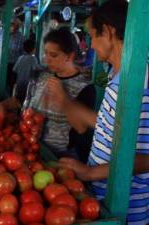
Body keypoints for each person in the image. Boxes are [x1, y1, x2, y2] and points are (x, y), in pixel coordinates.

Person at [47, 1, 149, 224]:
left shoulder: (141, 81)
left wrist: (90, 173)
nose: (91, 45)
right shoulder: (115, 74)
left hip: (127, 207)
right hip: (101, 198)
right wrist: (66, 103)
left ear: (110, 32)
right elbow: (110, 126)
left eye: (93, 36)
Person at [0, 27, 96, 161]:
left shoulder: (85, 87)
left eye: (53, 55)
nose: (47, 60)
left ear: (70, 56)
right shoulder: (39, 74)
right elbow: (18, 100)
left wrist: (63, 98)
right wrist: (1, 106)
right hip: (26, 146)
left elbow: (81, 128)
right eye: (45, 53)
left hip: (57, 157)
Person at [0, 18, 24, 94]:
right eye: (14, 25)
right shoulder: (0, 33)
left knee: (11, 84)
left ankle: (8, 97)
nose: (15, 28)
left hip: (14, 65)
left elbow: (21, 53)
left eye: (17, 27)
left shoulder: (20, 36)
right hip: (1, 63)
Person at [12, 39, 42, 103]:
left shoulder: (20, 58)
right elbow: (37, 69)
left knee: (18, 103)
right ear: (34, 49)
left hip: (19, 86)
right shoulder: (33, 59)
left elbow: (14, 70)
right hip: (28, 87)